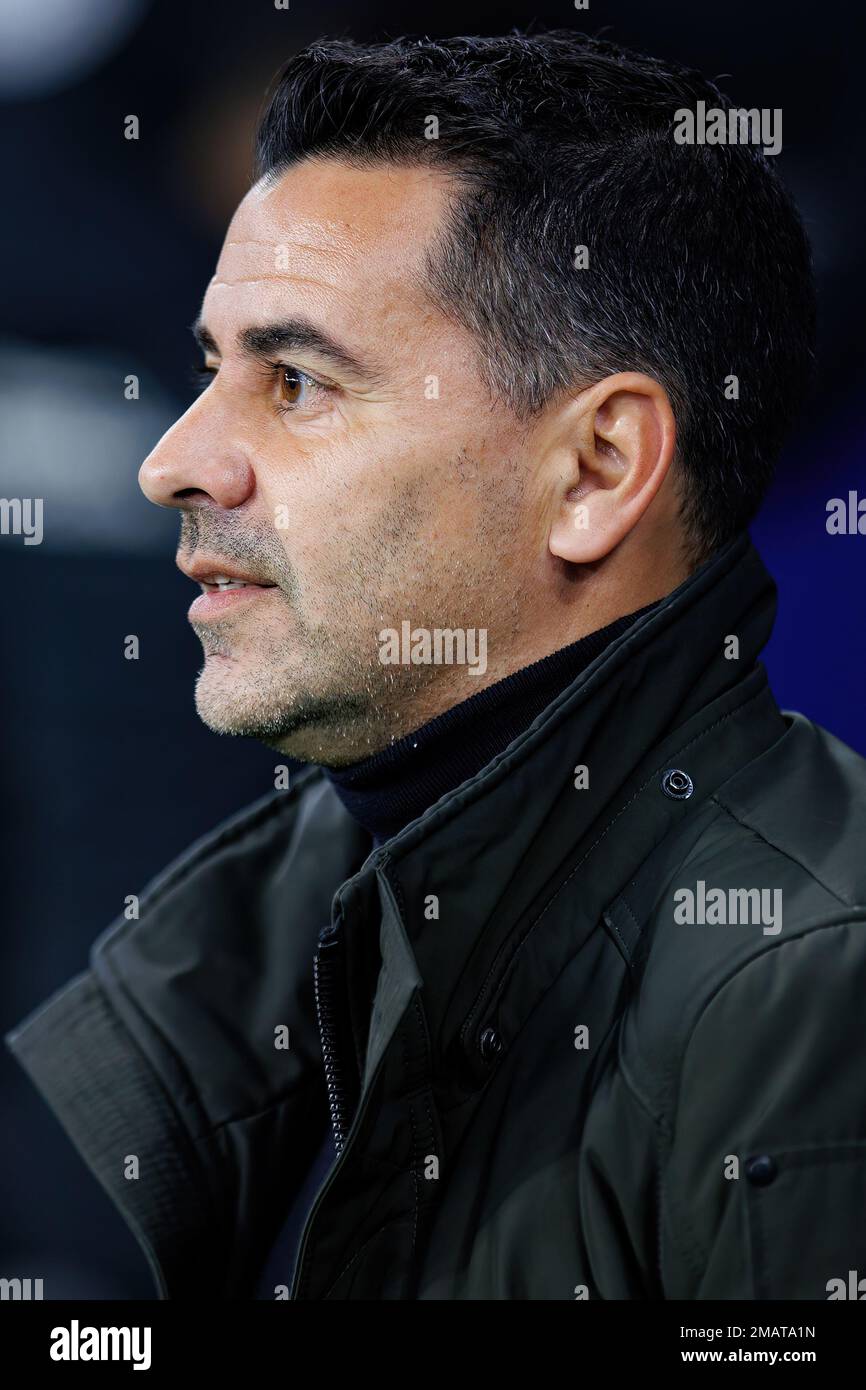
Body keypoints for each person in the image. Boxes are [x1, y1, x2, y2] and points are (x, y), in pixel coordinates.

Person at [8, 31, 866, 1301]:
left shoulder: (802, 994)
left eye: (296, 382)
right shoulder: (286, 939)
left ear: (592, 471)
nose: (174, 463)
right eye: (209, 370)